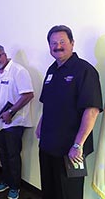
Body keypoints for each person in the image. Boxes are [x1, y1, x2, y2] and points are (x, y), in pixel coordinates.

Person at [35, 25, 103, 199]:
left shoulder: (85, 71)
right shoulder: (51, 70)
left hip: (70, 150)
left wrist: (78, 145)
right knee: (50, 190)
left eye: (62, 41)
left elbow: (92, 110)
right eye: (53, 43)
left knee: (69, 194)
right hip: (48, 145)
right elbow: (48, 104)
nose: (57, 46)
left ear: (72, 43)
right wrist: (40, 125)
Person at [0, 44, 34, 199]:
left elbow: (28, 95)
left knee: (13, 154)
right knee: (2, 152)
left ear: (5, 54)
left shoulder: (18, 71)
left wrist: (11, 111)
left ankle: (15, 186)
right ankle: (7, 180)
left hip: (14, 123)